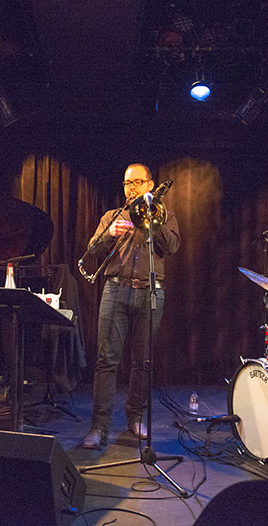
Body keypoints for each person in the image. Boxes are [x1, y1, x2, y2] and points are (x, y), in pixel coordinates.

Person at [82, 163, 180, 448]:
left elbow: (173, 247)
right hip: (115, 289)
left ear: (150, 185)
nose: (132, 187)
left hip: (151, 292)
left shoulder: (166, 215)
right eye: (127, 183)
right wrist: (109, 233)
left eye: (138, 182)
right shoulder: (112, 216)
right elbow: (92, 250)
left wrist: (153, 220)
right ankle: (99, 427)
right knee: (106, 362)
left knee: (143, 362)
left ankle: (136, 418)